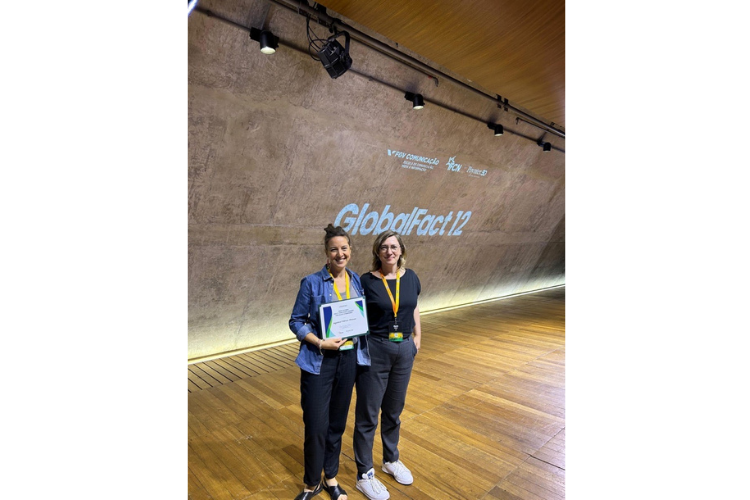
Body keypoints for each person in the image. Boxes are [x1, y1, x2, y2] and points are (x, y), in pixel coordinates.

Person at [289, 224, 372, 500]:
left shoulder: (356, 280)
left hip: (348, 360)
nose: (340, 254)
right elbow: (296, 321)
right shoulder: (311, 282)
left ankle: (331, 477)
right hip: (319, 361)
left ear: (350, 250)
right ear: (326, 252)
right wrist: (319, 342)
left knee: (337, 423)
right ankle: (311, 482)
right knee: (315, 424)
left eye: (344, 248)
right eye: (334, 249)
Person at [354, 231, 422, 500]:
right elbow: (356, 313)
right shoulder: (367, 281)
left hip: (404, 350)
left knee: (394, 410)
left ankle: (390, 459)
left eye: (394, 246)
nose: (389, 251)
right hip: (376, 349)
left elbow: (413, 307)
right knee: (368, 414)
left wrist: (417, 337)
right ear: (377, 252)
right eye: (384, 247)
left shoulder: (411, 277)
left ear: (401, 250)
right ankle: (364, 474)